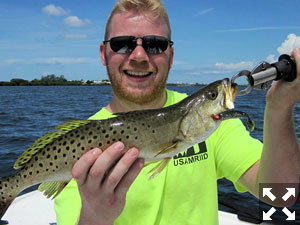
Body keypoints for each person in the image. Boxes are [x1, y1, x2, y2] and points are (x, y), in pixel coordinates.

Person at [54, 0, 300, 224]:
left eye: (154, 45)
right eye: (122, 44)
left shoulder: (215, 124)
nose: (139, 56)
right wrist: (95, 216)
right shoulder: (73, 146)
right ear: (103, 54)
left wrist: (280, 106)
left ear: (170, 56)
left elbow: (280, 193)